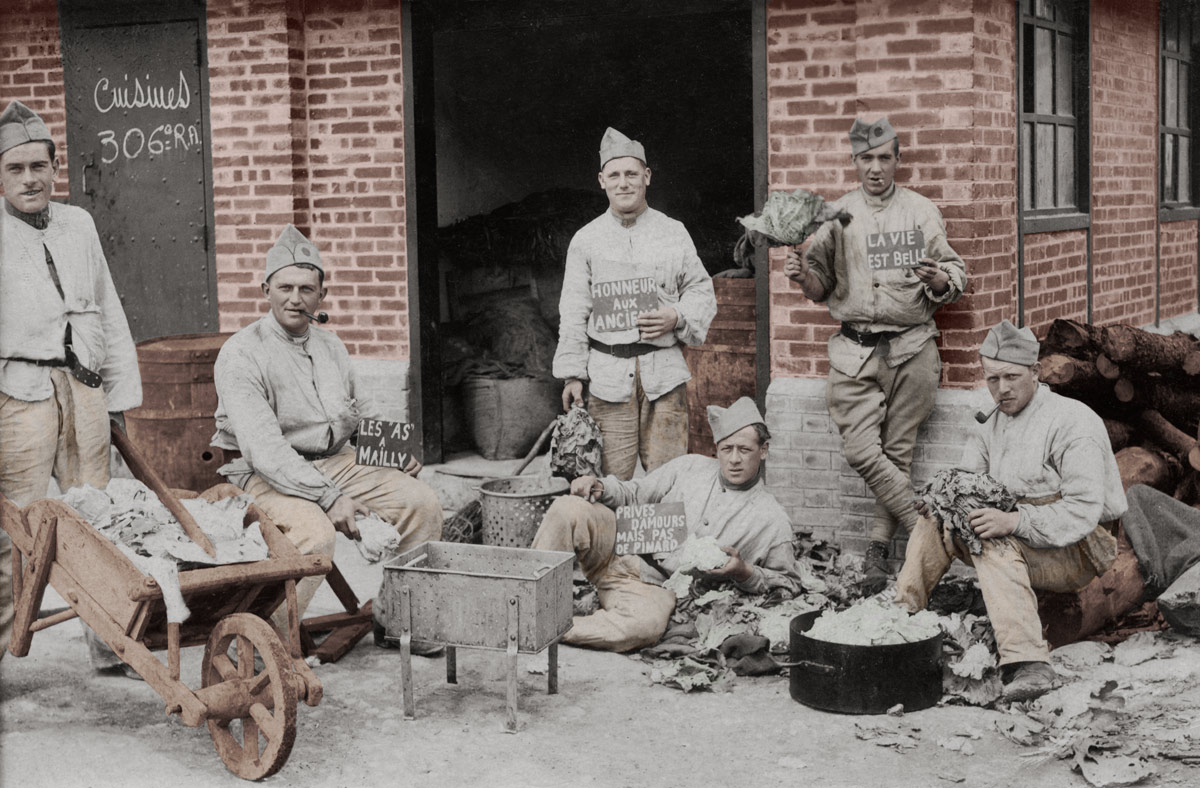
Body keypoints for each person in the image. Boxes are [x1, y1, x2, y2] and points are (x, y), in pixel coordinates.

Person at [211, 224, 443, 647]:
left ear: (323, 295)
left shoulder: (331, 344)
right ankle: (267, 647)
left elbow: (360, 412)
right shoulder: (242, 353)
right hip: (264, 475)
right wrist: (329, 497)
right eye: (284, 287)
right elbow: (265, 451)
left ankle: (399, 620)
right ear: (265, 289)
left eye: (306, 288)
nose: (295, 299)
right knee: (315, 534)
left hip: (335, 461)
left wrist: (398, 452)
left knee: (420, 503)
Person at [895, 320, 1128, 701]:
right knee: (936, 516)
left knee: (993, 540)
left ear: (1036, 372)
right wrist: (941, 501)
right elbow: (969, 483)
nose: (1001, 389)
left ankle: (1030, 662)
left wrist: (1015, 520)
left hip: (1081, 546)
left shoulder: (1072, 421)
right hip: (1023, 534)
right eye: (992, 379)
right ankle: (900, 617)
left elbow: (1084, 511)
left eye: (1012, 377)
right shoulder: (990, 424)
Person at [785, 116, 967, 593]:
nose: (876, 168)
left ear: (898, 161)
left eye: (885, 157)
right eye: (866, 158)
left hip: (911, 349)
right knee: (862, 451)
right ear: (854, 161)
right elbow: (819, 286)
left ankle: (877, 550)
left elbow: (954, 272)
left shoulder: (921, 212)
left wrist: (939, 280)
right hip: (854, 350)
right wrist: (800, 273)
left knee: (897, 453)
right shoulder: (837, 216)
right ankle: (925, 528)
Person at [0, 100, 141, 665]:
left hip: (84, 393)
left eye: (40, 166)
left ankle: (112, 647)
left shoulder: (78, 223)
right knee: (17, 532)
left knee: (97, 521)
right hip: (19, 398)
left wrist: (119, 398)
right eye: (15, 168)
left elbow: (108, 308)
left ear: (56, 169)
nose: (30, 179)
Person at [531, 396, 805, 652]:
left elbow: (788, 584)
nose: (734, 459)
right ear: (717, 449)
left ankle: (546, 628)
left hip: (655, 587)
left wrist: (744, 571)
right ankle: (530, 604)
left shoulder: (772, 519)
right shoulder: (690, 466)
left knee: (644, 627)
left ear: (764, 450)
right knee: (568, 508)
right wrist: (600, 486)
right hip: (620, 545)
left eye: (745, 450)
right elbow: (636, 493)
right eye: (726, 449)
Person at [554, 127, 716, 480]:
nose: (623, 183)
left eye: (631, 174)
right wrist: (572, 374)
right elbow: (573, 310)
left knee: (668, 481)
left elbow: (701, 290)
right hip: (608, 378)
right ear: (601, 180)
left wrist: (676, 315)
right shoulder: (586, 240)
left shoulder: (673, 232)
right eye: (614, 175)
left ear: (647, 176)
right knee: (609, 483)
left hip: (664, 375)